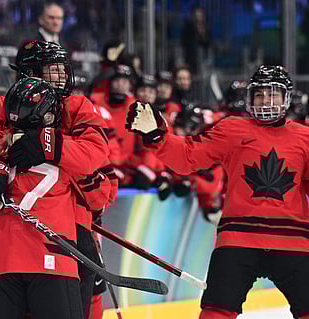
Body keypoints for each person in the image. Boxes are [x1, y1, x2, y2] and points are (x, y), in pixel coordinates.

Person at [126, 64, 309, 319]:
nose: (266, 101)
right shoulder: (232, 129)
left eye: (273, 94)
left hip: (293, 242)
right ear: (250, 98)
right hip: (238, 238)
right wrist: (158, 136)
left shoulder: (305, 138)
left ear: (286, 97)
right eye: (260, 94)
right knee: (215, 313)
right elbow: (188, 157)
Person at [0, 40, 109, 319]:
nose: (63, 76)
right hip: (10, 243)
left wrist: (47, 144)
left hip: (70, 231)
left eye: (63, 69)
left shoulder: (76, 106)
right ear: (30, 72)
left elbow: (97, 158)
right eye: (54, 69)